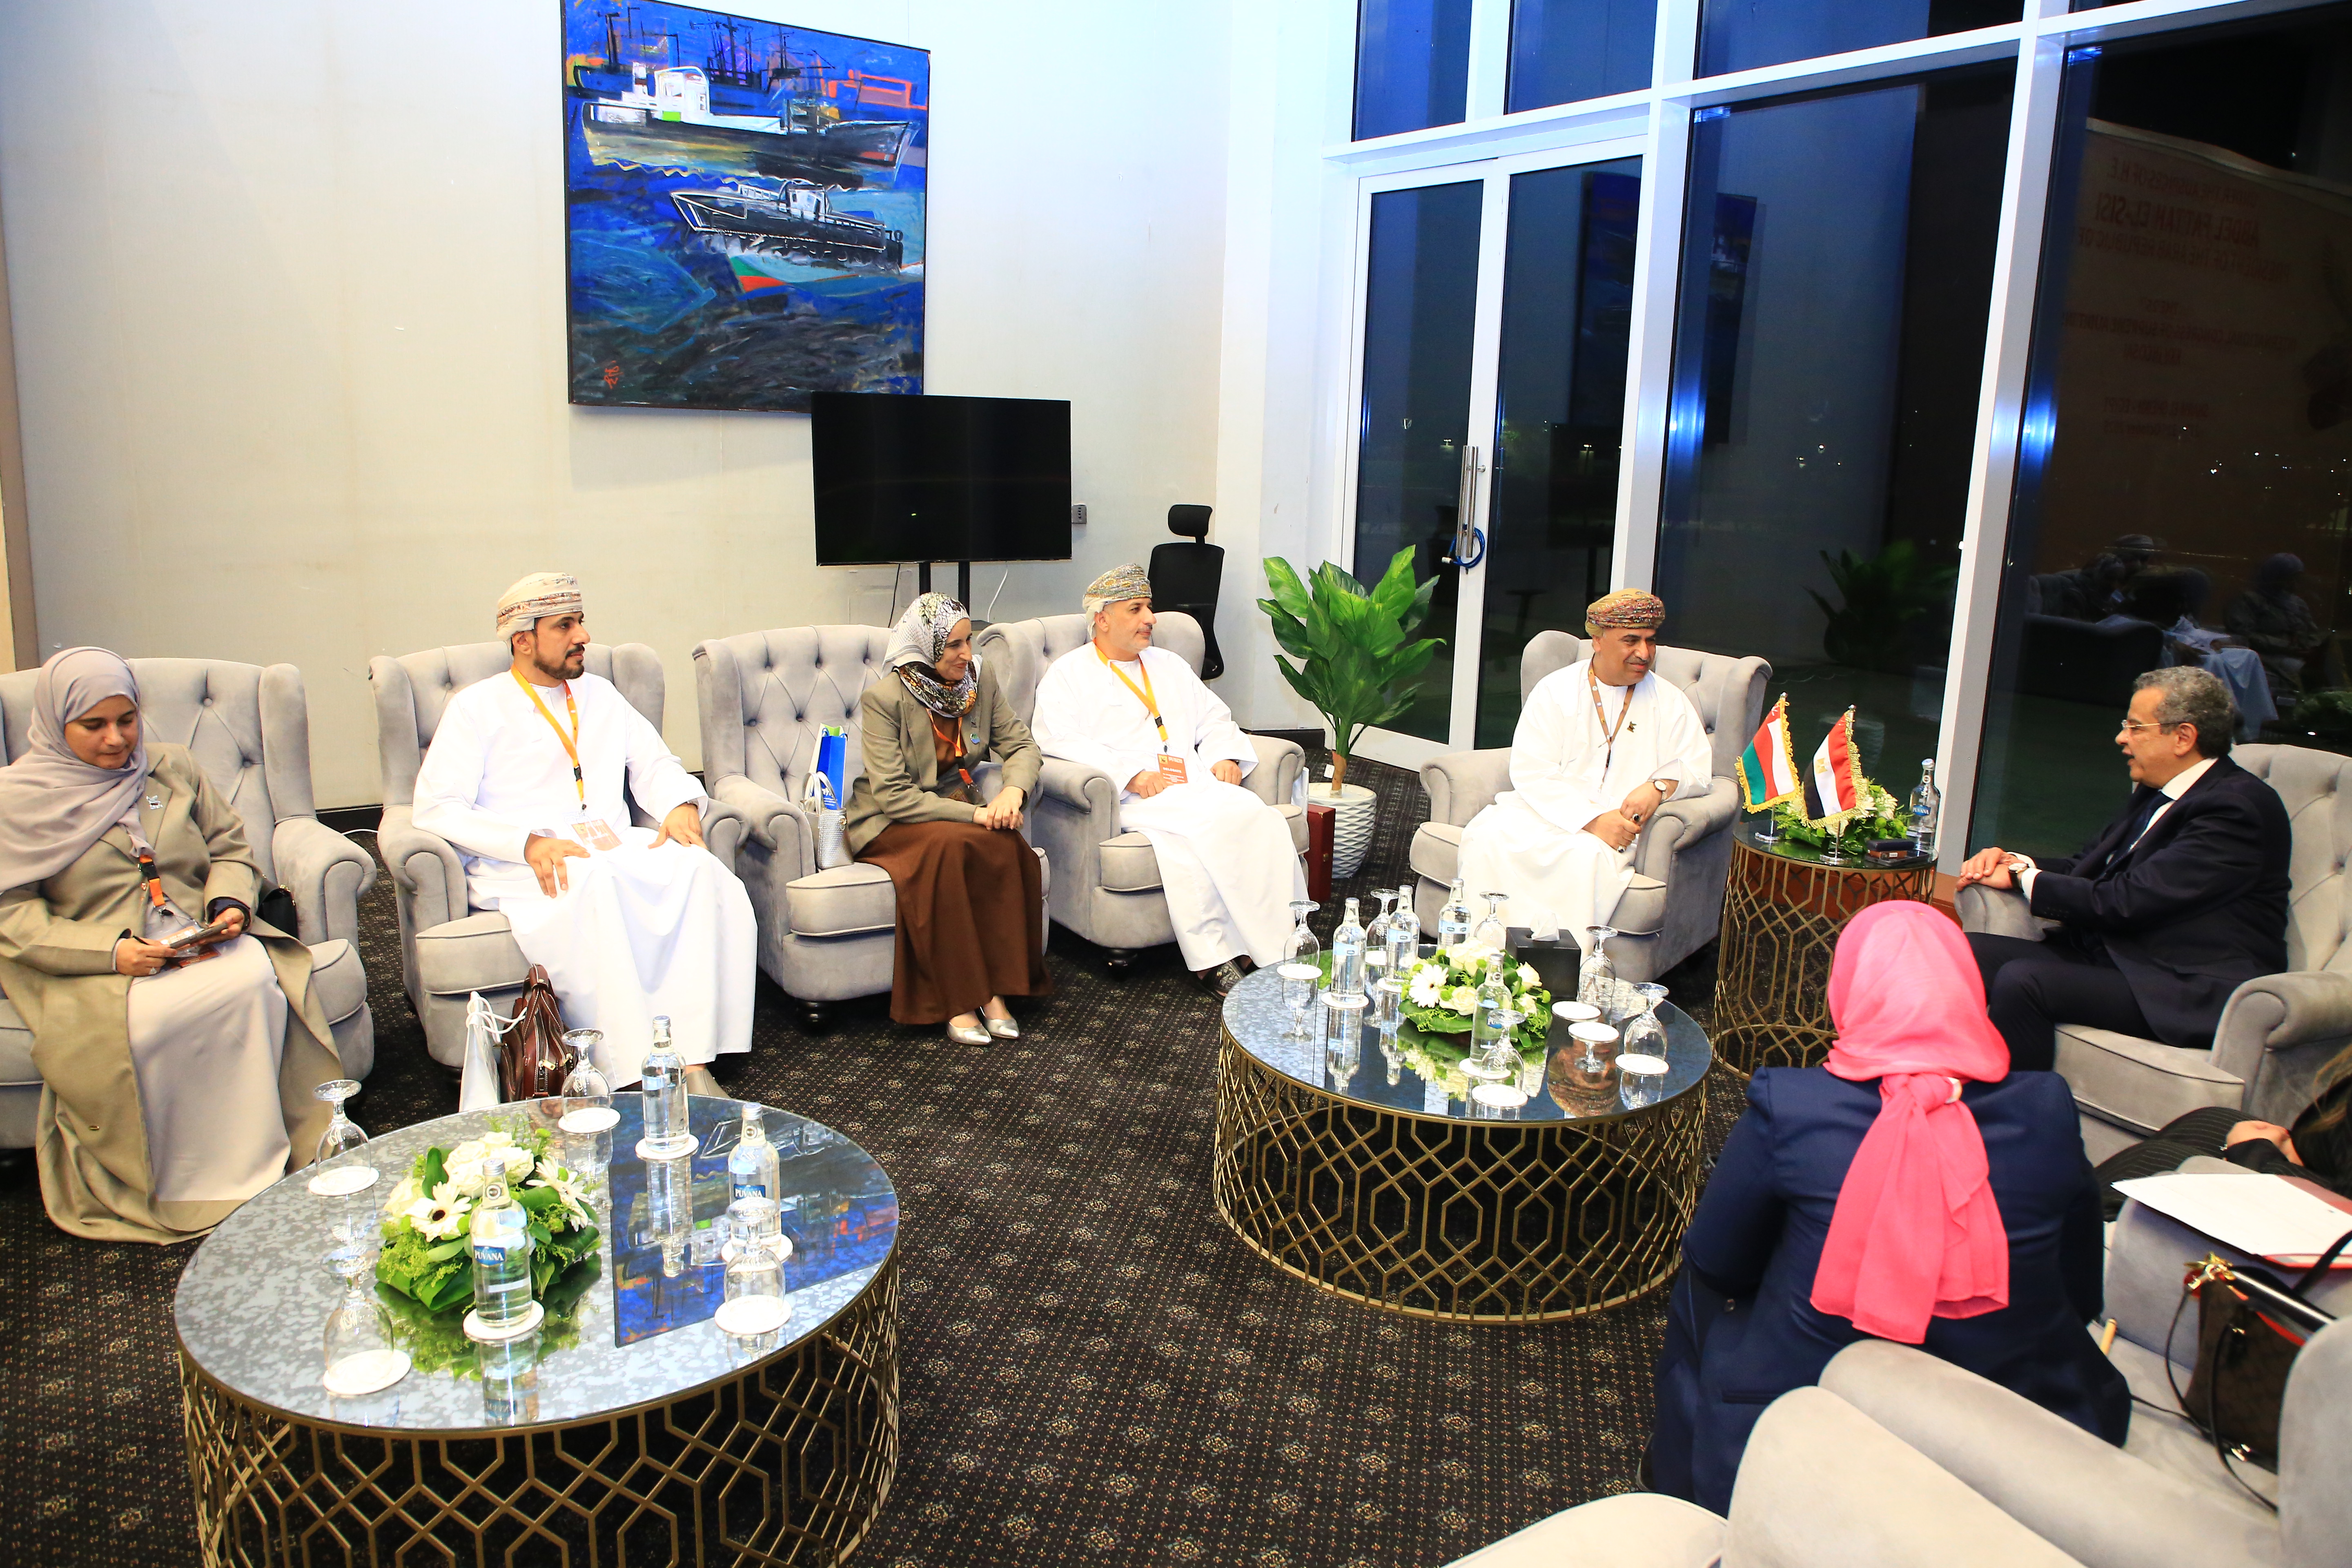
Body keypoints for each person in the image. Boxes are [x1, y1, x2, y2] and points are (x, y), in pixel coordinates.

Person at [1646, 902, 2126, 1512]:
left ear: (1849, 990)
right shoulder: (2046, 1107)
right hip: (2008, 1413)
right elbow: (2081, 1288)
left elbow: (1720, 1261)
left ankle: (1678, 1478)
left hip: (1814, 1402)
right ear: (1970, 992)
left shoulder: (1794, 1106)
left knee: (1697, 1281)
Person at [0, 648, 346, 1242]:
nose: (117, 740)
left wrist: (228, 904)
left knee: (255, 979)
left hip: (199, 938)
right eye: (93, 725)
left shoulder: (172, 767)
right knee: (158, 1018)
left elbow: (230, 848)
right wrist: (113, 952)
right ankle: (181, 1181)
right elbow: (13, 916)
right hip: (100, 964)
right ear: (56, 724)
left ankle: (263, 1160)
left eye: (126, 720)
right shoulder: (15, 800)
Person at [413, 572, 755, 1089]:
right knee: (596, 885)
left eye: (581, 622)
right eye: (565, 626)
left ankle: (695, 1058)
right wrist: (525, 842)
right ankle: (631, 1071)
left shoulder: (601, 694)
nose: (583, 637)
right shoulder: (476, 708)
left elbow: (655, 763)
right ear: (523, 640)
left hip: (610, 845)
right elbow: (437, 807)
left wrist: (680, 803)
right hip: (528, 865)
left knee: (700, 869)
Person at [1959, 666, 2288, 1073]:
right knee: (1959, 952)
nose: (2121, 738)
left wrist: (2024, 879)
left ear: (2183, 737)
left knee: (2024, 981)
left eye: (2135, 727)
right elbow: (2088, 867)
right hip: (2120, 959)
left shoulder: (2236, 808)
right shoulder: (2157, 791)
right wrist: (2018, 865)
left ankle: (2019, 1107)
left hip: (2183, 984)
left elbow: (2127, 900)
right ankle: (1931, 1081)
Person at [1030, 564, 1305, 996]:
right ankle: (1243, 954)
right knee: (1236, 818)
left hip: (1191, 787)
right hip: (1134, 799)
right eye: (1136, 609)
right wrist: (1129, 775)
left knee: (1252, 820)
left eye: (1150, 607)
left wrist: (1223, 755)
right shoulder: (1068, 675)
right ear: (1102, 619)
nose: (1151, 619)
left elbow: (1215, 719)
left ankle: (1260, 947)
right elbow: (1057, 741)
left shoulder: (1169, 665)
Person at [1454, 589, 1712, 952]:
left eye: (1651, 641)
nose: (1644, 653)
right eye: (1631, 641)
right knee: (1488, 835)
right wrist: (1591, 819)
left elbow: (1698, 769)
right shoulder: (1556, 690)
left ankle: (1557, 971)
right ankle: (1480, 955)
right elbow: (1531, 770)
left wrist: (1659, 786)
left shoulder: (1669, 701)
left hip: (1618, 828)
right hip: (1548, 811)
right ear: (1599, 641)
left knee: (1583, 859)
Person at [846, 593, 1051, 1045]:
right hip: (889, 819)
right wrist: (978, 813)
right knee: (949, 849)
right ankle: (958, 1000)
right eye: (953, 645)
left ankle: (995, 991)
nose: (965, 654)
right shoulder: (884, 699)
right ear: (925, 648)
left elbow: (1021, 745)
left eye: (968, 641)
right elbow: (895, 796)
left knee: (1007, 845)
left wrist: (1013, 792)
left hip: (955, 810)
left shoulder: (979, 680)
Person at [2091, 1041, 2352, 1215]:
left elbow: (2343, 1212)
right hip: (2331, 1176)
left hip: (2335, 1219)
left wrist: (2255, 1152)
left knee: (2154, 1160)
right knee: (2209, 1122)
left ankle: (2074, 1245)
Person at [2226, 552, 2326, 704]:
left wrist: (2311, 646)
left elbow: (2312, 632)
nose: (2294, 584)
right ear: (2275, 576)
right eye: (2289, 579)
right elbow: (2243, 635)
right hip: (2264, 657)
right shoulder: (2248, 600)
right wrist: (2286, 646)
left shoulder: (2297, 603)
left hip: (2298, 655)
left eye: (2297, 579)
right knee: (2300, 673)